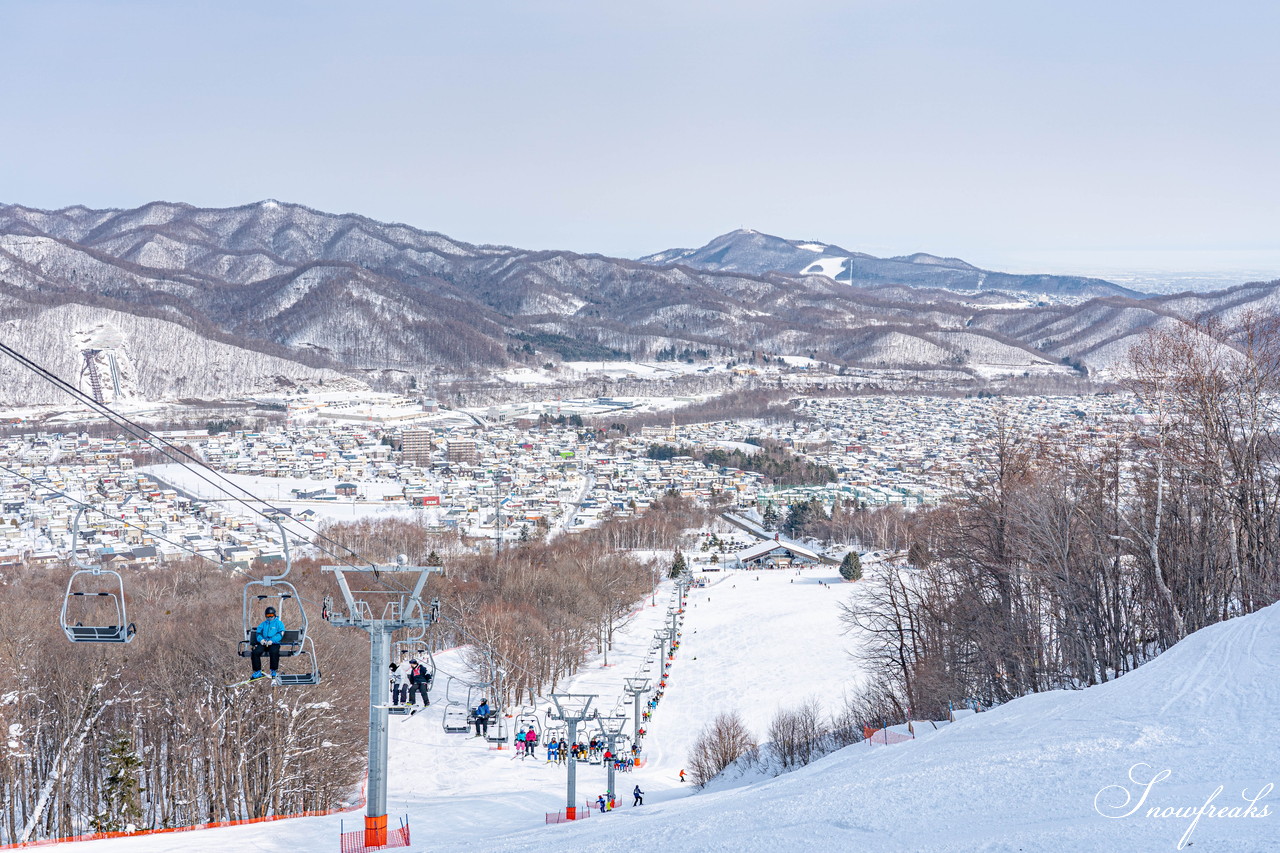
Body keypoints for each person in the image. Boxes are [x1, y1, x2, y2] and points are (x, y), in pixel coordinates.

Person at [249, 605, 285, 681]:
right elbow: (258, 633)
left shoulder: (279, 623)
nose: (270, 617)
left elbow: (280, 634)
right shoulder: (263, 624)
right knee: (255, 652)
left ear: (274, 615)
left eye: (271, 616)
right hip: (264, 643)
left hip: (274, 643)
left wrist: (272, 640)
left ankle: (273, 670)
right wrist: (261, 640)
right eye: (268, 616)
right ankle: (257, 671)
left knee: (274, 652)